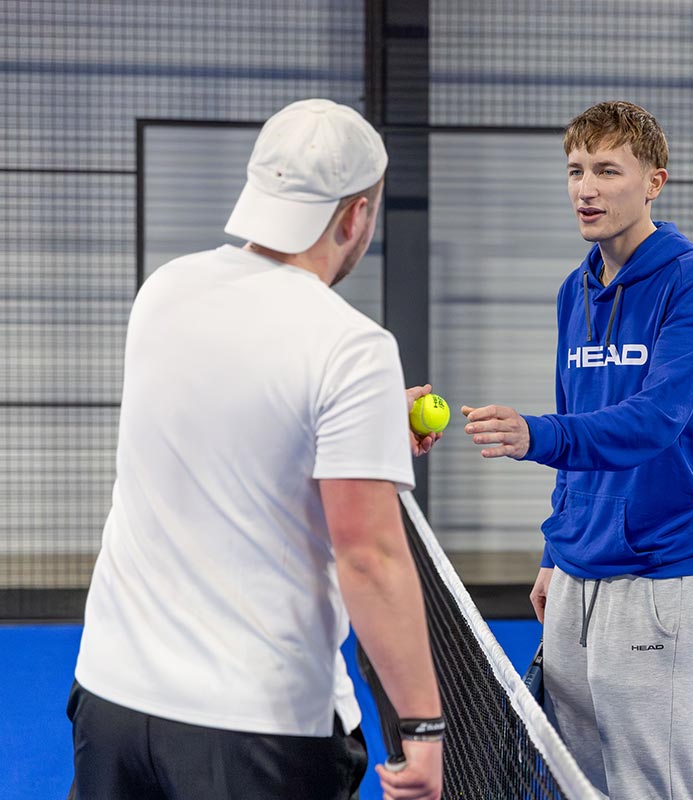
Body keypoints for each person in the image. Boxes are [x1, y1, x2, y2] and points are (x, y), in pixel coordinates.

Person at [69, 98, 443, 800]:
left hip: (112, 699)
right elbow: (370, 555)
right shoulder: (353, 346)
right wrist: (423, 729)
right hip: (255, 727)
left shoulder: (164, 292)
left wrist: (366, 430)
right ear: (356, 215)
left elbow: (229, 414)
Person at [462, 100, 693, 799]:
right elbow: (584, 423)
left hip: (659, 574)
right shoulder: (572, 293)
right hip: (578, 573)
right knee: (578, 781)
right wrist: (557, 548)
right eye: (576, 170)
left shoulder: (690, 282)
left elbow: (656, 421)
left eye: (608, 170)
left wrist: (537, 434)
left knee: (652, 785)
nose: (586, 188)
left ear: (654, 182)